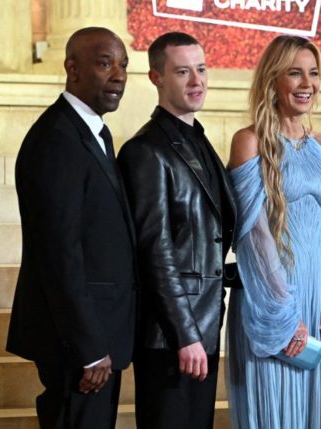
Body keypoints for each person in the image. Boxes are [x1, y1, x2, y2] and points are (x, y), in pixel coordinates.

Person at [225, 35, 321, 429]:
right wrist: (283, 312)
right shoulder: (249, 142)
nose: (307, 83)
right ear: (273, 80)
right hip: (273, 303)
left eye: (314, 73)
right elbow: (253, 237)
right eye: (295, 73)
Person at [7, 27, 136, 429]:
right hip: (78, 348)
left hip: (96, 338)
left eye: (123, 65)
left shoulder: (92, 131)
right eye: (104, 63)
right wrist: (90, 348)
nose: (118, 75)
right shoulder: (56, 139)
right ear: (72, 69)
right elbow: (59, 254)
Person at [116, 32, 236, 429]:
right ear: (156, 78)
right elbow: (156, 250)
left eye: (201, 69)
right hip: (170, 337)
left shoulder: (198, 141)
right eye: (182, 71)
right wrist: (185, 335)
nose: (196, 81)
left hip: (203, 324)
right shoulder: (146, 150)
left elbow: (201, 242)